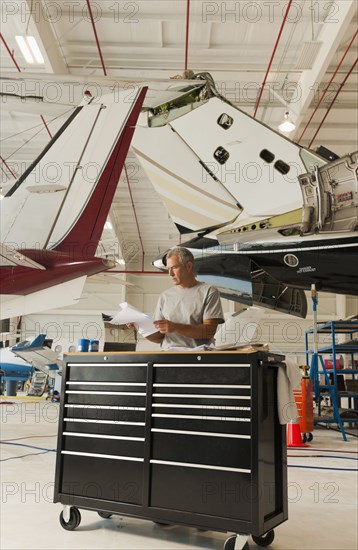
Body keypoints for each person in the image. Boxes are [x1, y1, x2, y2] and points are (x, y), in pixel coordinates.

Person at [144, 247, 224, 349]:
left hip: (196, 357)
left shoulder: (209, 291)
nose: (170, 274)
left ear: (189, 266)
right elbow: (160, 337)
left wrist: (175, 327)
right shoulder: (165, 296)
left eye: (174, 268)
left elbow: (209, 331)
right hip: (167, 358)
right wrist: (140, 328)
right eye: (168, 269)